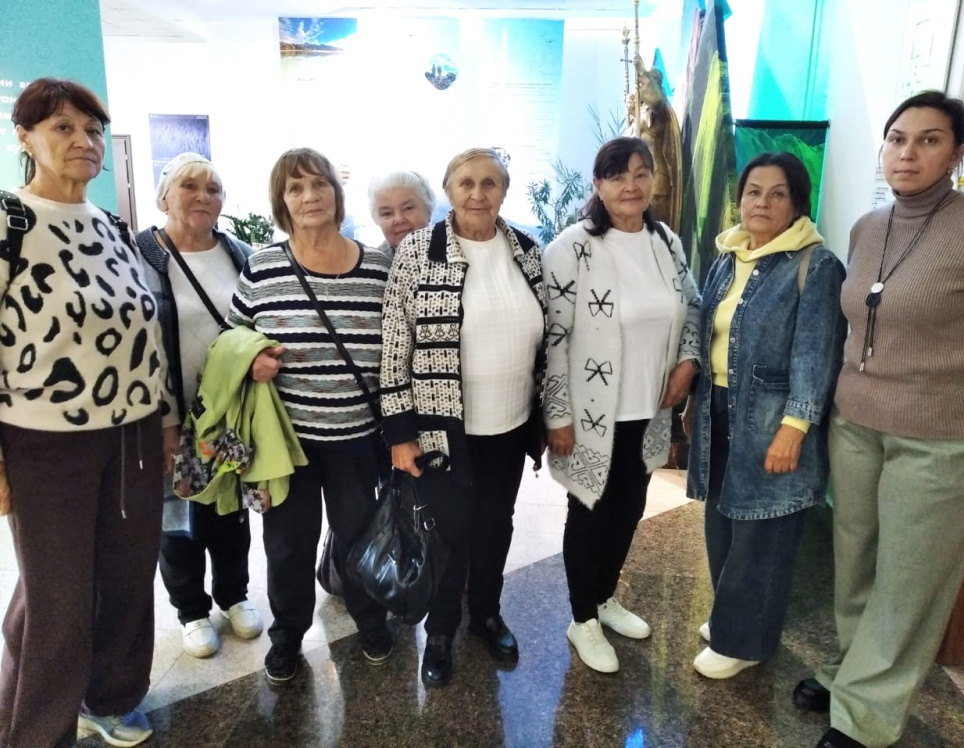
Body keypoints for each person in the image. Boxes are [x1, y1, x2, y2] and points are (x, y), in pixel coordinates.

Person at [797, 92, 964, 748]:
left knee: (910, 577)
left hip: (941, 435)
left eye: (929, 140)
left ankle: (866, 717)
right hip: (857, 421)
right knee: (856, 560)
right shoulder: (867, 227)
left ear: (957, 153)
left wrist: (951, 383)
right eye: (897, 138)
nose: (908, 153)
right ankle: (852, 672)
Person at [0, 78, 174, 748]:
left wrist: (164, 422)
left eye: (93, 130)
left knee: (126, 580)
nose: (84, 141)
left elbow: (143, 336)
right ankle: (39, 731)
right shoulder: (9, 221)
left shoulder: (110, 225)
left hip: (133, 435)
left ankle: (111, 698)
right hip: (46, 443)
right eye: (64, 127)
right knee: (60, 598)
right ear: (25, 137)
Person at [380, 147, 547, 688]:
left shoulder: (527, 250)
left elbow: (550, 336)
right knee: (449, 534)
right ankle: (441, 631)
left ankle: (487, 615)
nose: (478, 193)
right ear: (448, 191)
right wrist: (400, 434)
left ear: (504, 191)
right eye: (466, 183)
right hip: (442, 429)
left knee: (496, 525)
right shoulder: (417, 252)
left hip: (510, 423)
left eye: (490, 183)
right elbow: (394, 348)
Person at [227, 148, 391, 685]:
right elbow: (231, 338)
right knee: (287, 547)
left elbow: (397, 352)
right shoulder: (263, 267)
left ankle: (371, 622)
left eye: (319, 184)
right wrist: (251, 360)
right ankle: (287, 638)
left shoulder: (377, 268)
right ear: (282, 202)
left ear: (336, 195)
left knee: (359, 536)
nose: (309, 196)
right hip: (286, 442)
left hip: (357, 437)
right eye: (295, 188)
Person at [683, 152, 846, 680]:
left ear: (797, 203)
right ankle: (730, 618)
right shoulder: (728, 258)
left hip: (773, 420)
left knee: (763, 531)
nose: (763, 203)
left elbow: (816, 353)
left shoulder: (815, 265)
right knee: (722, 521)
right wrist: (694, 403)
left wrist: (794, 428)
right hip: (719, 409)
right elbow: (710, 338)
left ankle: (747, 641)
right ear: (740, 199)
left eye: (778, 194)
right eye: (754, 191)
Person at [542, 136, 701, 674]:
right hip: (591, 413)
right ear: (598, 184)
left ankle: (605, 595)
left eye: (640, 173)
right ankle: (581, 617)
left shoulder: (666, 242)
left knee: (629, 509)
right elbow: (554, 337)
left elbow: (693, 306)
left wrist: (688, 361)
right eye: (617, 175)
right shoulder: (573, 247)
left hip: (649, 408)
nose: (630, 185)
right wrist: (557, 414)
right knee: (590, 511)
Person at [134, 153, 262, 659]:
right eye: (189, 185)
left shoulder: (239, 254)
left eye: (213, 188)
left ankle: (234, 594)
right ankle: (190, 609)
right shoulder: (140, 255)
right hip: (171, 413)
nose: (203, 196)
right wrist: (164, 420)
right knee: (178, 513)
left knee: (230, 508)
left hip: (230, 412)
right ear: (164, 196)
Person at [368, 170, 435, 256]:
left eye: (408, 208)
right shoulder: (375, 262)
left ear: (428, 211)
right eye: (387, 213)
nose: (399, 220)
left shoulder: (450, 248)